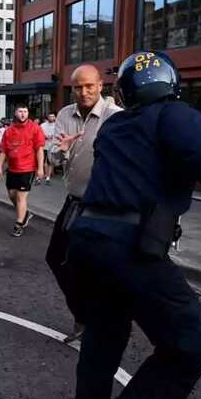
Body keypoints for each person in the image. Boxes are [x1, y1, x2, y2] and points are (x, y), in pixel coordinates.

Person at [67, 51, 201, 399]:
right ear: (170, 84)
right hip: (130, 246)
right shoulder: (173, 115)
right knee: (185, 348)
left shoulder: (114, 127)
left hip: (87, 239)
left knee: (105, 332)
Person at [46, 65, 122, 343]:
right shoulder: (66, 115)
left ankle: (99, 325)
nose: (84, 91)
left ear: (101, 85)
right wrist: (60, 151)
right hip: (74, 202)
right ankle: (82, 316)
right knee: (56, 257)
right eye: (78, 87)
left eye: (89, 86)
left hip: (104, 207)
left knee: (96, 268)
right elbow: (53, 159)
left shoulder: (116, 117)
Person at [0, 104, 45, 237]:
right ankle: (25, 214)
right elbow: (3, 150)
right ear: (15, 113)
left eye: (25, 111)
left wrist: (40, 168)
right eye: (20, 111)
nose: (23, 114)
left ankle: (19, 224)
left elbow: (39, 150)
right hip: (12, 169)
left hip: (27, 168)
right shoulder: (9, 130)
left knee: (20, 197)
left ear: (28, 113)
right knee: (12, 195)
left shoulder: (35, 128)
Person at [40, 112, 57, 185]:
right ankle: (40, 176)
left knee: (50, 162)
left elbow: (59, 133)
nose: (51, 118)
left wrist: (53, 136)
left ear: (55, 117)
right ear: (48, 117)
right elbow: (39, 133)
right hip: (43, 145)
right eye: (50, 116)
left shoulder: (57, 125)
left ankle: (48, 177)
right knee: (42, 161)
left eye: (53, 116)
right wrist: (44, 136)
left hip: (52, 146)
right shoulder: (43, 125)